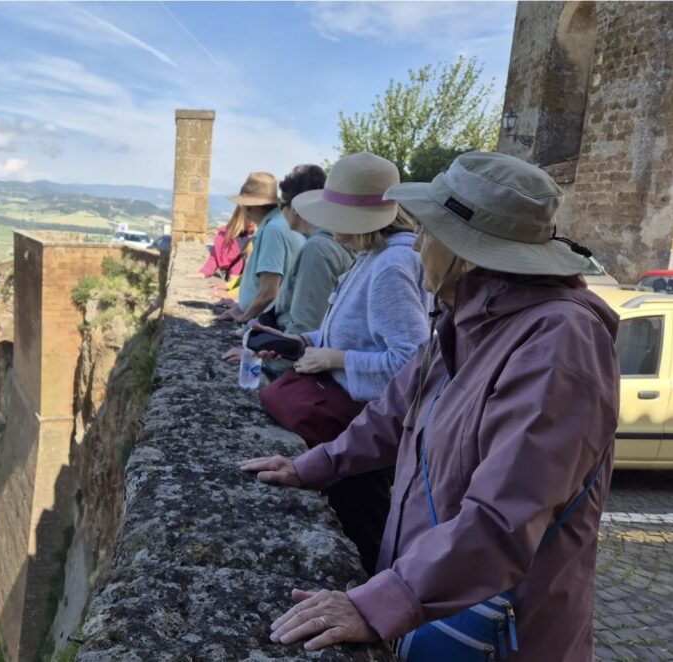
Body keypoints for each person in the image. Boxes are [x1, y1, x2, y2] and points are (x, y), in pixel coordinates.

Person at [239, 152, 619, 661]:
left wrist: (379, 604)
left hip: (506, 634)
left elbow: (505, 514)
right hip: (441, 608)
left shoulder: (559, 342)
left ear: (466, 252)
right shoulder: (469, 318)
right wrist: (312, 467)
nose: (417, 245)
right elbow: (394, 413)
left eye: (429, 232)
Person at [254, 152, 428, 573]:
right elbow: (349, 333)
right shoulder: (374, 256)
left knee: (366, 535)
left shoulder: (390, 266)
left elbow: (413, 363)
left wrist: (334, 358)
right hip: (360, 427)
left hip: (369, 432)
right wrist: (297, 344)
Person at [221, 164, 354, 366]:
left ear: (297, 208)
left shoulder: (317, 249)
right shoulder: (332, 242)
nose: (280, 211)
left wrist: (255, 357)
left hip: (292, 366)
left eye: (282, 205)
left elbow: (304, 330)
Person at [215, 172, 304, 324]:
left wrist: (244, 317)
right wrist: (241, 307)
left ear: (248, 207)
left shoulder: (272, 231)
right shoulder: (280, 223)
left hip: (271, 321)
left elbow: (269, 292)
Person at [192, 207, 255, 281]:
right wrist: (204, 272)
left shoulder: (259, 235)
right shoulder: (225, 235)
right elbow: (215, 258)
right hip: (236, 284)